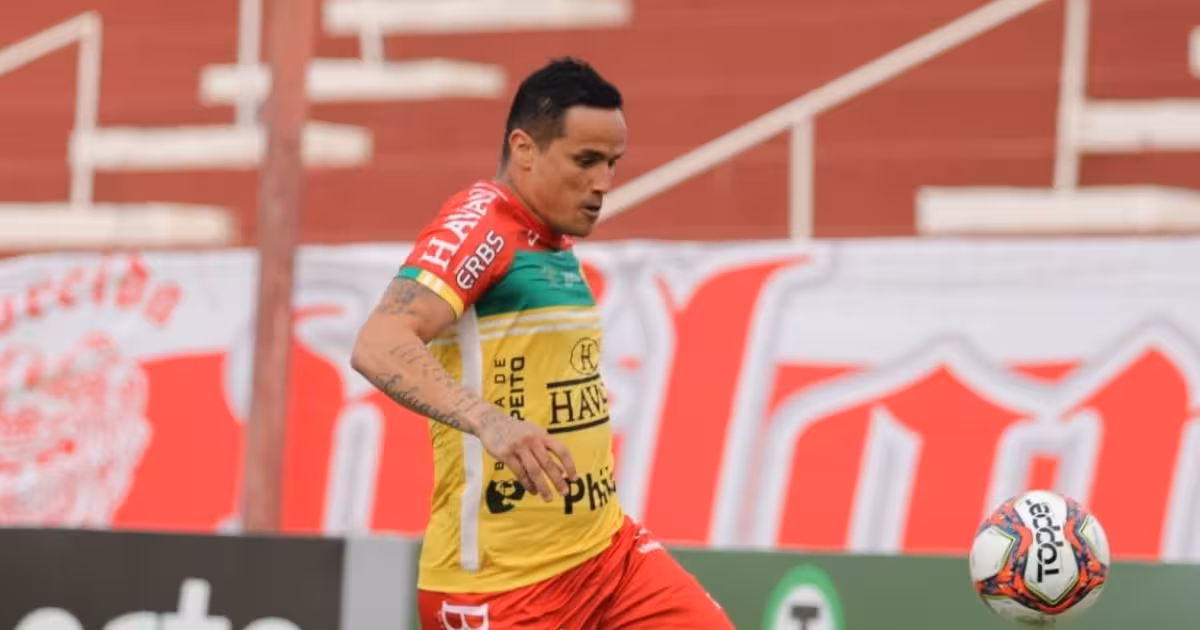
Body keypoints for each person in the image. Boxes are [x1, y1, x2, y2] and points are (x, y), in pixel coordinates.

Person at [351, 58, 733, 629]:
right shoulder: (481, 226)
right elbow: (378, 343)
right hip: (503, 591)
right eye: (585, 161)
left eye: (612, 163)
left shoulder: (548, 235)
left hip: (608, 557)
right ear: (525, 149)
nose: (603, 183)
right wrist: (490, 420)